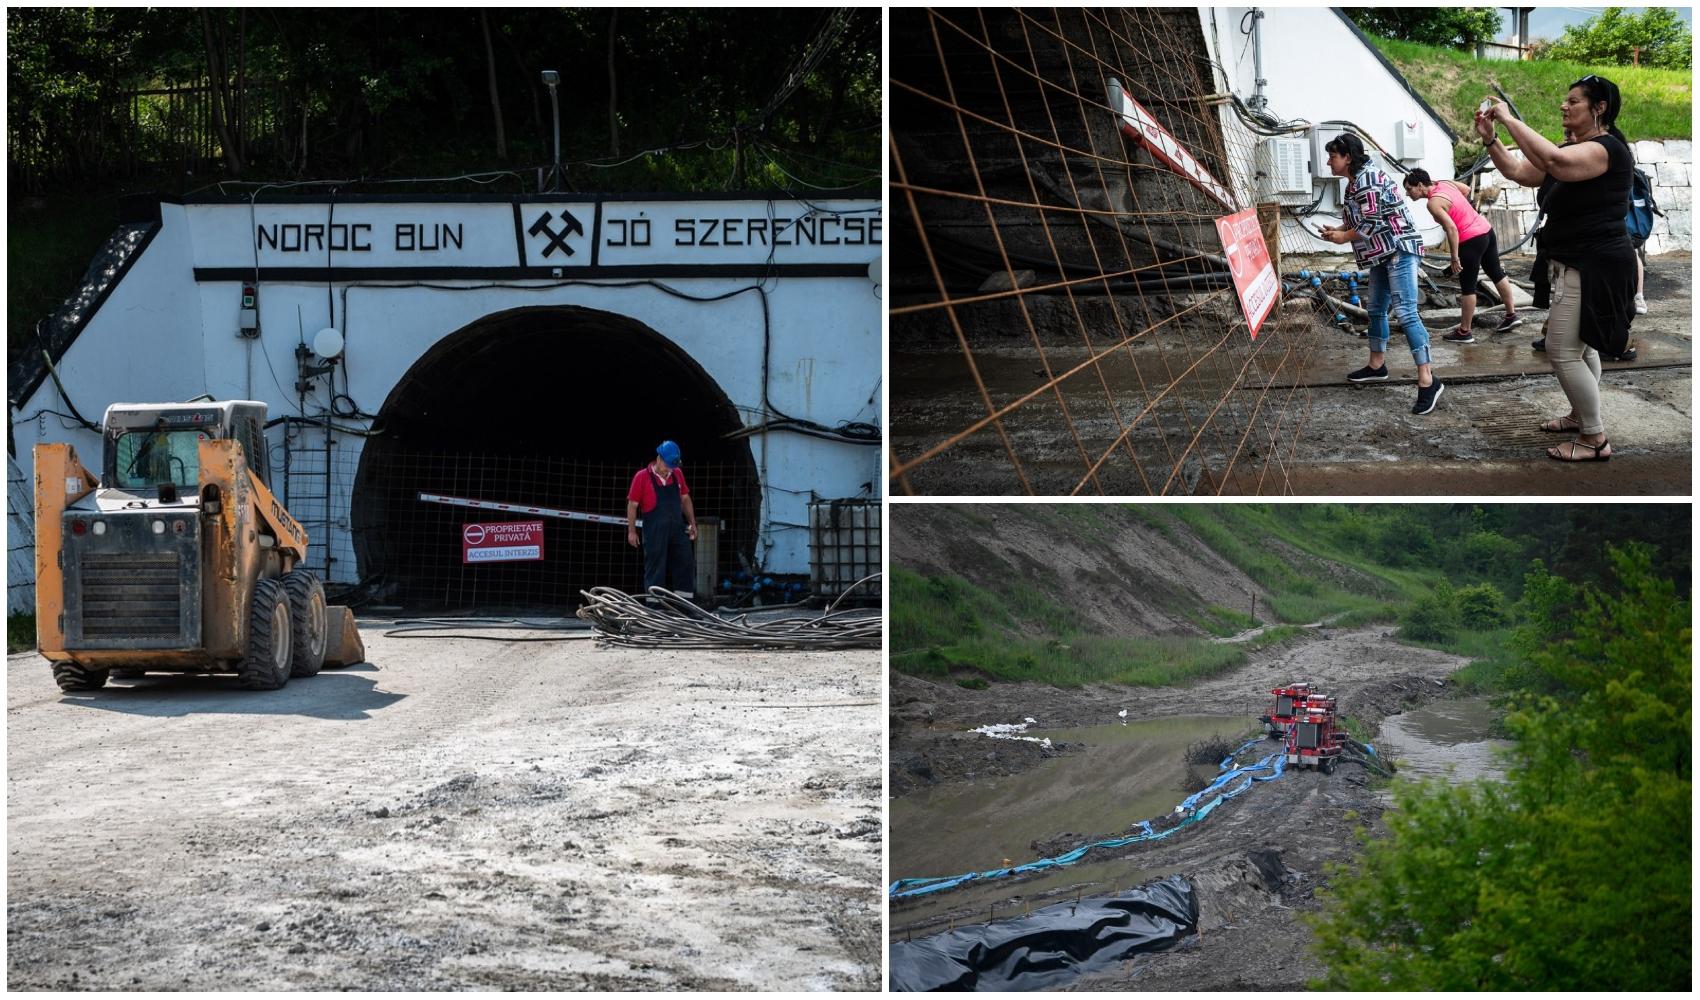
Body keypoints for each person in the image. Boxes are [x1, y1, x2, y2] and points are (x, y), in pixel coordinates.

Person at [1478, 74, 1634, 461]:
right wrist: (1490, 139)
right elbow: (1520, 172)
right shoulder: (1574, 147)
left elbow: (1553, 162)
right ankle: (1581, 415)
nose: (1564, 107)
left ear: (1599, 108)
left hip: (1595, 263)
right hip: (1575, 259)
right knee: (1581, 345)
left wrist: (1508, 117)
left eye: (1574, 102)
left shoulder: (1605, 149)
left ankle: (1595, 439)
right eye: (1565, 101)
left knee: (1561, 349)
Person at [1318, 133, 1444, 415]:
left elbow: (1371, 222)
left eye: (1333, 156)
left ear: (1347, 157)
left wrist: (1343, 236)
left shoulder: (1368, 179)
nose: (1328, 161)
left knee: (1406, 312)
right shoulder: (1353, 184)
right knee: (1375, 309)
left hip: (1398, 248)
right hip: (1381, 253)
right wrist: (1336, 233)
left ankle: (1428, 380)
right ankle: (1377, 365)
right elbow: (1358, 221)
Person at [1401, 168, 1520, 343]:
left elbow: (1451, 228)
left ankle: (1465, 332)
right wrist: (1462, 210)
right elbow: (1466, 189)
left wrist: (1454, 257)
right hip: (1486, 230)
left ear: (1420, 185)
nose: (1407, 193)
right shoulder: (1445, 184)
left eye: (1409, 188)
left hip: (1470, 239)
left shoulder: (1433, 203)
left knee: (1468, 286)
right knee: (1496, 272)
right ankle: (1511, 315)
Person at [626, 440, 698, 596]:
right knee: (656, 567)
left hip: (677, 529)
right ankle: (655, 608)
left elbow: (685, 499)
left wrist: (692, 523)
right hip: (654, 530)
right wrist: (631, 531)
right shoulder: (642, 477)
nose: (669, 470)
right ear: (659, 459)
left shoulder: (677, 474)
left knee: (684, 562)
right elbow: (632, 505)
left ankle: (685, 607)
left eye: (672, 466)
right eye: (667, 465)